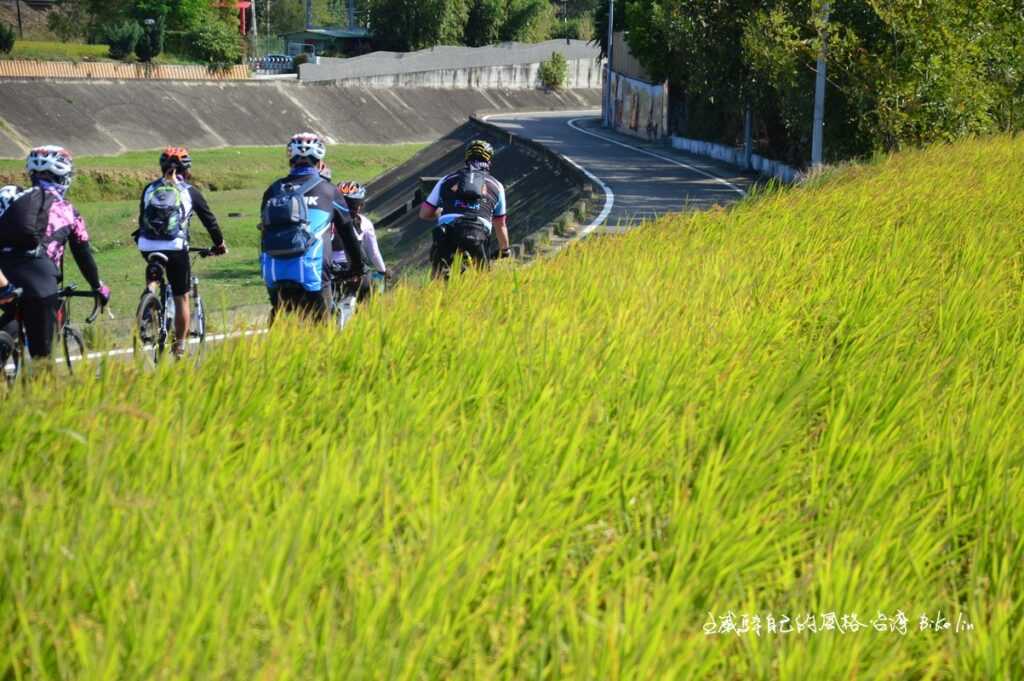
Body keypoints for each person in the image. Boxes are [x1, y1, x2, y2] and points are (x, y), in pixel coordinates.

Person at [0, 145, 110, 363]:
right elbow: (83, 255)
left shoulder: (12, 198)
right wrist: (98, 287)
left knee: (13, 313)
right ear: (64, 177)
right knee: (43, 360)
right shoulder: (67, 210)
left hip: (2, 273)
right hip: (37, 278)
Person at [259, 132, 364, 323]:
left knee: (279, 311)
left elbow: (264, 233)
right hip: (312, 269)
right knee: (323, 329)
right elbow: (348, 232)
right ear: (319, 159)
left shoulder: (273, 190)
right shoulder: (328, 190)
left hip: (274, 269)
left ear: (290, 157)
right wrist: (357, 267)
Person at [136, 146, 227, 356]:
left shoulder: (149, 189)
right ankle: (179, 347)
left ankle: (149, 293)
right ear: (187, 170)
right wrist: (219, 244)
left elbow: (143, 218)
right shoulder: (189, 191)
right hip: (176, 247)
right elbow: (210, 221)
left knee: (155, 270)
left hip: (147, 245)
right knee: (181, 297)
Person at [419, 139, 511, 278]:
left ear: (466, 158)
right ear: (489, 161)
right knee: (482, 281)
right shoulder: (497, 185)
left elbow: (424, 213)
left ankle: (436, 286)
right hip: (478, 233)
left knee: (437, 277)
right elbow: (500, 223)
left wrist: (443, 213)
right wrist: (505, 249)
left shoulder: (447, 179)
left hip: (448, 231)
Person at [333, 181, 387, 301]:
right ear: (359, 205)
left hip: (327, 268)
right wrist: (383, 271)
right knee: (368, 296)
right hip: (353, 269)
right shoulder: (364, 223)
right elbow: (374, 253)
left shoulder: (326, 220)